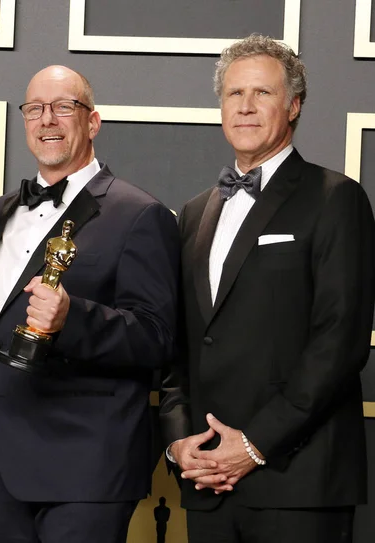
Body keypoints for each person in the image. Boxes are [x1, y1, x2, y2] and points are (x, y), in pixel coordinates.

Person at [159, 34, 375, 543]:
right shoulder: (194, 213)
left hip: (298, 481)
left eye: (262, 93)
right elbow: (178, 344)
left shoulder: (337, 198)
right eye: (234, 94)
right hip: (208, 480)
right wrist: (179, 442)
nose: (246, 107)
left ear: (294, 105)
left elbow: (339, 342)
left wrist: (254, 445)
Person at [0, 65, 180, 543]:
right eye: (35, 109)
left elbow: (157, 337)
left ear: (93, 122)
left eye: (64, 107)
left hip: (87, 464)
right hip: (1, 459)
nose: (48, 120)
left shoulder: (141, 214)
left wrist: (71, 319)